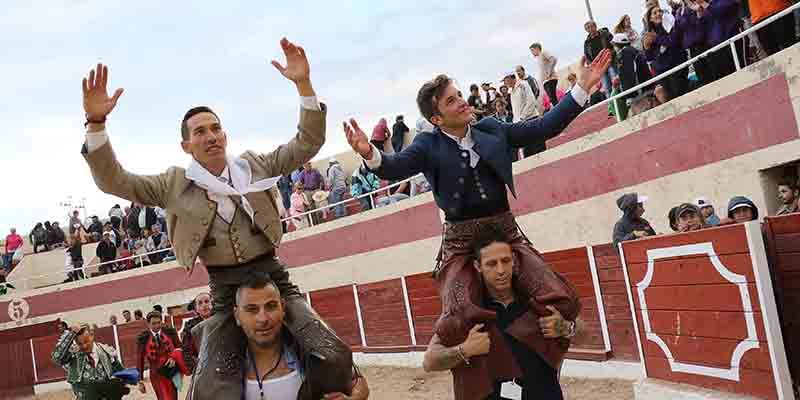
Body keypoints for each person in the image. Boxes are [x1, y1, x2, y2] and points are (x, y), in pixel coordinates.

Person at [80, 38, 353, 400]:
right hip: (225, 294)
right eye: (200, 132)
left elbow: (307, 142)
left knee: (334, 356)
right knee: (210, 388)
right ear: (186, 146)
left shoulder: (255, 166)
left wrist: (303, 86)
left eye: (215, 128)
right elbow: (114, 179)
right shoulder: (174, 184)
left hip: (275, 280)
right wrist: (96, 123)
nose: (210, 136)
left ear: (225, 134)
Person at [343, 49, 611, 400]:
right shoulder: (427, 144)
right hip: (461, 241)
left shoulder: (491, 129)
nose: (462, 103)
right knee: (457, 311)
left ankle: (546, 357)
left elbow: (542, 127)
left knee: (555, 291)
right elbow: (395, 168)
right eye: (452, 101)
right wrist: (369, 154)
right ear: (437, 118)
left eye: (458, 96)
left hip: (504, 231)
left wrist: (580, 92)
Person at [423, 225, 577, 400]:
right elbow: (429, 361)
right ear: (477, 266)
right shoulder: (470, 311)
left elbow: (585, 333)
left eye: (505, 261)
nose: (501, 270)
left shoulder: (536, 300)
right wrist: (464, 350)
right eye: (491, 264)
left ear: (514, 260)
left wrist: (566, 327)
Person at [232, 277, 370, 400]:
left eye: (271, 306)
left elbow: (356, 380)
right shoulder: (224, 366)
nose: (263, 319)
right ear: (237, 315)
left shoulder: (313, 352)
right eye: (252, 309)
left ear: (283, 307)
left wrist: (355, 397)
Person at [51, 323, 128, 400]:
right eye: (80, 344)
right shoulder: (73, 355)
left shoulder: (106, 351)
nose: (84, 346)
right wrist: (71, 334)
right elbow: (57, 357)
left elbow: (121, 373)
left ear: (92, 335)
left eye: (86, 341)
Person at [643, 5, 690, 100]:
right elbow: (649, 58)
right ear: (650, 19)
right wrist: (646, 47)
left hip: (677, 67)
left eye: (660, 11)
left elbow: (673, 41)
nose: (658, 14)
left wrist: (656, 38)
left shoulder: (670, 24)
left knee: (680, 95)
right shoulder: (648, 34)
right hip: (662, 72)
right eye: (655, 13)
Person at [137, 311, 181, 399]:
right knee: (163, 397)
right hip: (156, 374)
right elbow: (139, 359)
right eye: (153, 323)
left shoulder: (170, 332)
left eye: (159, 322)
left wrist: (174, 358)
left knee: (173, 397)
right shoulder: (143, 338)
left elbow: (179, 348)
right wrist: (140, 380)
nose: (157, 326)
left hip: (171, 370)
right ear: (148, 324)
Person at [611, 34, 652, 120]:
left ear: (617, 45)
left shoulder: (624, 54)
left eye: (614, 45)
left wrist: (629, 96)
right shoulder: (633, 50)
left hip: (638, 93)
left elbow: (629, 74)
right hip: (645, 88)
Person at [179, 293, 213, 376]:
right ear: (196, 309)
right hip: (202, 368)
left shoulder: (221, 320)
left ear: (212, 304)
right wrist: (197, 365)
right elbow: (187, 350)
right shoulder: (190, 327)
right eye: (200, 303)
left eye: (206, 301)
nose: (204, 305)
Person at [583, 21, 616, 99]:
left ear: (595, 26)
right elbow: (587, 57)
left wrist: (611, 54)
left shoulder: (605, 34)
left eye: (591, 26)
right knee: (607, 87)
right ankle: (611, 105)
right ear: (586, 30)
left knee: (616, 82)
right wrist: (592, 66)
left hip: (610, 62)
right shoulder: (587, 42)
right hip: (600, 67)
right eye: (588, 28)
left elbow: (614, 44)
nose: (590, 29)